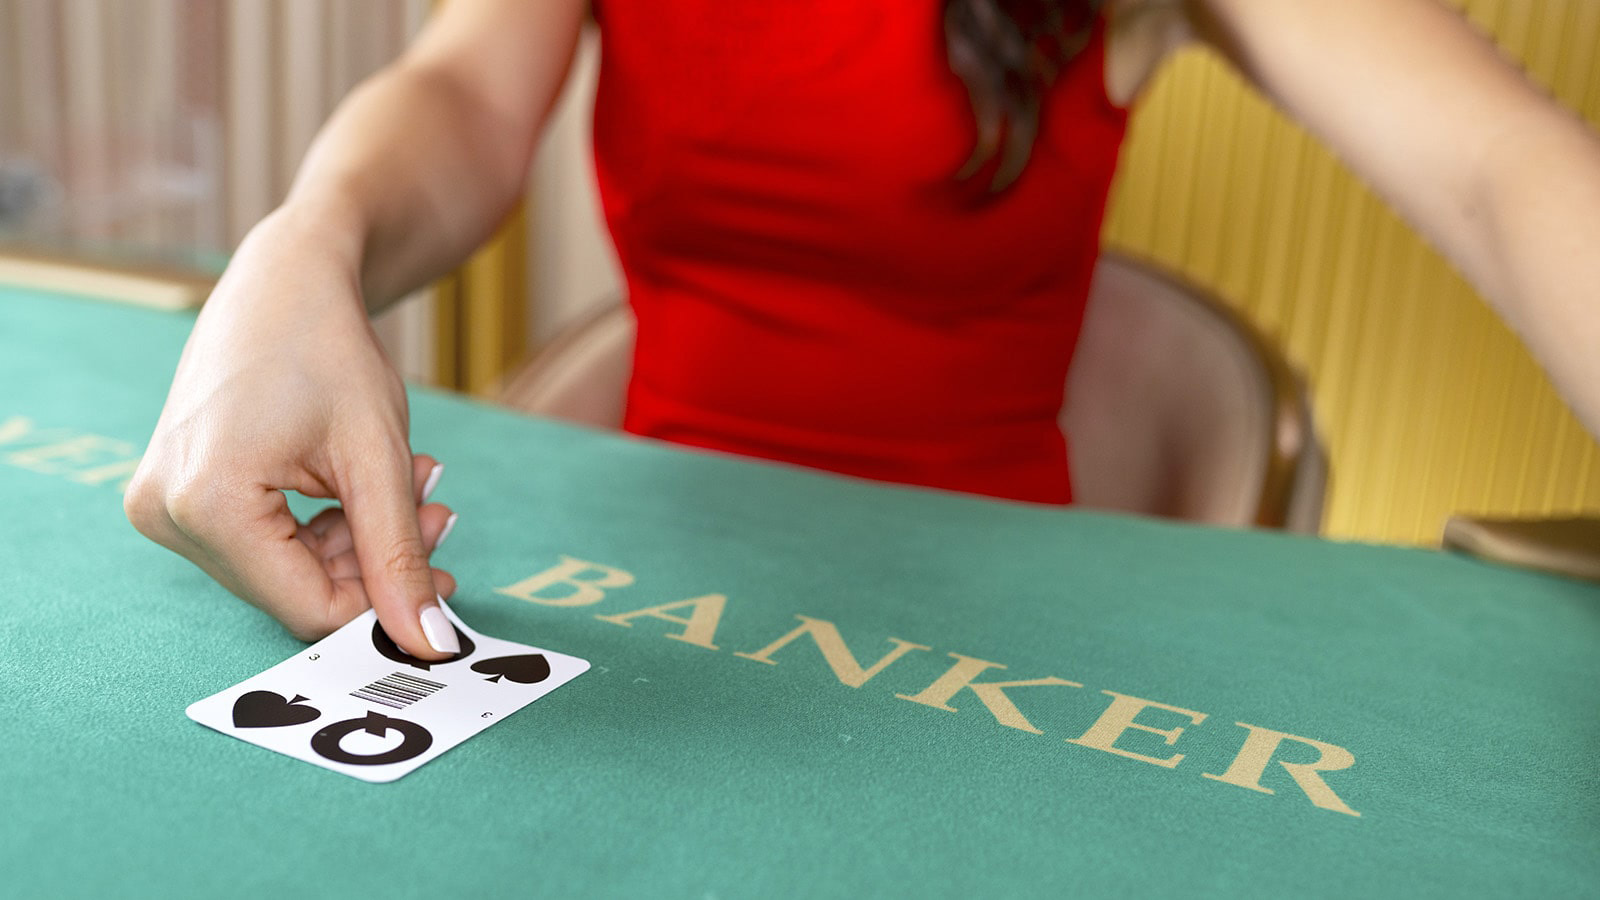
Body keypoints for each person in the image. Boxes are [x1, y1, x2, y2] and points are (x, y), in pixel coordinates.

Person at [124, 0, 1600, 663]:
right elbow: (460, 91)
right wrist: (305, 240)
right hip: (648, 596)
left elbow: (1501, 169)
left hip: (992, 631)